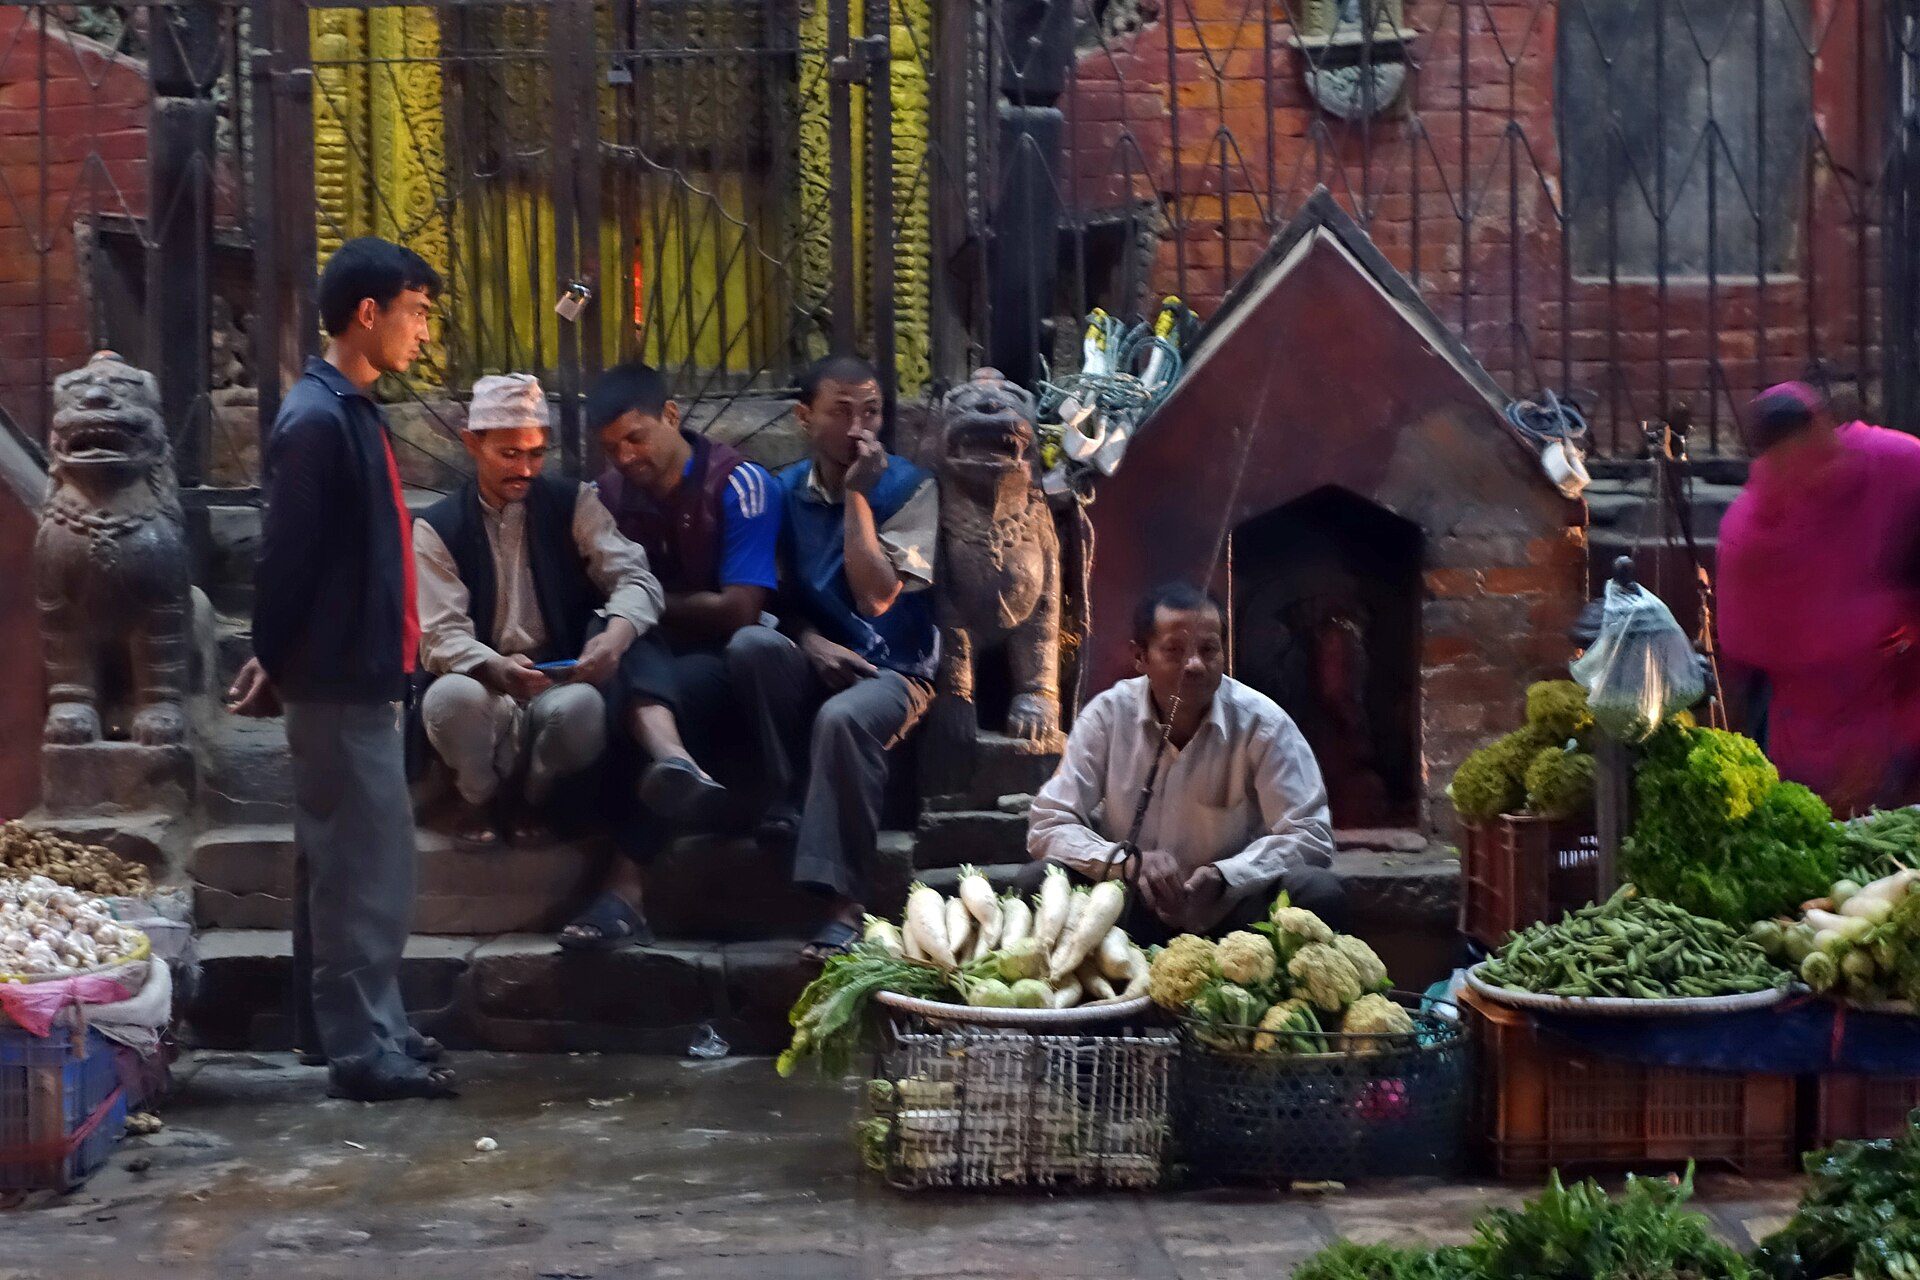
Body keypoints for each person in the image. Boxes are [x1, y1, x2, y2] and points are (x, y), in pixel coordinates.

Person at [226, 238, 457, 1101]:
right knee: (361, 866)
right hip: (334, 679)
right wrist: (273, 656)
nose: (424, 332)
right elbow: (285, 560)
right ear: (370, 313)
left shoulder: (348, 408)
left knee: (369, 861)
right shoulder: (316, 420)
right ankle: (360, 1050)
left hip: (363, 672)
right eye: (418, 311)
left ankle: (375, 1028)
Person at [557, 362, 780, 949]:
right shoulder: (604, 497)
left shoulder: (739, 484)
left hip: (722, 663)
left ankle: (625, 888)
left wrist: (647, 603)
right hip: (637, 661)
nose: (626, 458)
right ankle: (669, 758)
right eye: (611, 449)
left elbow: (740, 611)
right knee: (617, 635)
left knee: (646, 648)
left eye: (636, 438)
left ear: (672, 416)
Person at [728, 355, 939, 961]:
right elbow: (768, 601)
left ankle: (844, 906)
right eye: (841, 412)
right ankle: (785, 801)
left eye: (870, 412)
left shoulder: (910, 486)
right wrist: (809, 642)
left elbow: (877, 597)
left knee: (843, 718)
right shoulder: (780, 489)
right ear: (804, 417)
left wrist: (857, 500)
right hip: (815, 656)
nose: (858, 429)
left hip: (895, 668)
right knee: (751, 647)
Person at [411, 373, 663, 852]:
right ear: (472, 444)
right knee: (450, 699)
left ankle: (533, 798)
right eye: (509, 454)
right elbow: (441, 635)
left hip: (557, 679)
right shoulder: (438, 526)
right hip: (485, 682)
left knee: (584, 708)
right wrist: (493, 666)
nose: (525, 469)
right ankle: (481, 797)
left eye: (536, 453)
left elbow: (636, 577)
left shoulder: (574, 503)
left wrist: (616, 634)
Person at [1020, 582, 1345, 943]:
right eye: (1175, 651)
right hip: (1126, 911)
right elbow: (1049, 825)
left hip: (1231, 918)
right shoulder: (1108, 716)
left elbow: (1310, 835)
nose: (1194, 665)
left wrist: (1226, 875)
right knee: (1039, 881)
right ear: (1140, 657)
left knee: (1318, 891)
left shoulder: (1263, 723)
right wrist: (1126, 864)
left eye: (1209, 650)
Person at [1718, 382, 1920, 813]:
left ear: (1828, 428)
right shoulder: (1749, 537)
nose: (1817, 473)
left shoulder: (1899, 467)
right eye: (1796, 465)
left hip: (1903, 713)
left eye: (1822, 455)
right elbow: (1742, 664)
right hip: (1803, 742)